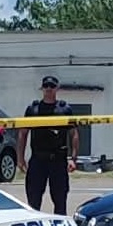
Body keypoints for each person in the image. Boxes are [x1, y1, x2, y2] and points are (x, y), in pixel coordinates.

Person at [18, 75, 79, 216]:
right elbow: (22, 134)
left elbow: (74, 134)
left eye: (52, 86)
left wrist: (73, 158)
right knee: (33, 201)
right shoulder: (33, 110)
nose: (48, 89)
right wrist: (20, 158)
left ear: (57, 88)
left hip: (58, 160)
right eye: (46, 86)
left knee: (60, 201)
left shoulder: (64, 109)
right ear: (42, 88)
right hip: (38, 160)